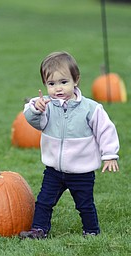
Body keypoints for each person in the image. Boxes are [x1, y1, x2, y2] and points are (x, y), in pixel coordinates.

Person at [19, 51, 119, 239]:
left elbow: (106, 130)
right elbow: (32, 119)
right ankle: (39, 229)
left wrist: (110, 154)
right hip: (54, 170)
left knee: (84, 204)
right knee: (44, 202)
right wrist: (35, 109)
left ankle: (91, 230)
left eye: (63, 82)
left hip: (81, 172)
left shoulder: (91, 108)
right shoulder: (46, 107)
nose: (58, 88)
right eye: (51, 84)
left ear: (76, 80)